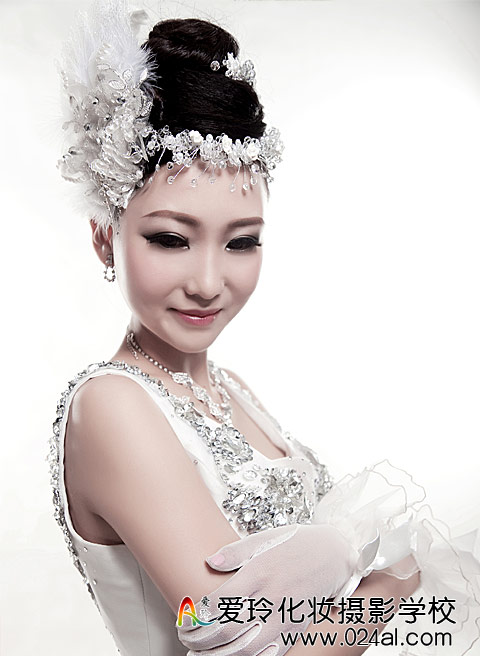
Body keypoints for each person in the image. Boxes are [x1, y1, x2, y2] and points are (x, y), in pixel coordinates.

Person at [47, 1, 480, 655]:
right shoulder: (111, 407)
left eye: (241, 242)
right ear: (105, 237)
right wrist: (395, 578)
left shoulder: (233, 390)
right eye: (171, 239)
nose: (207, 281)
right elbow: (239, 639)